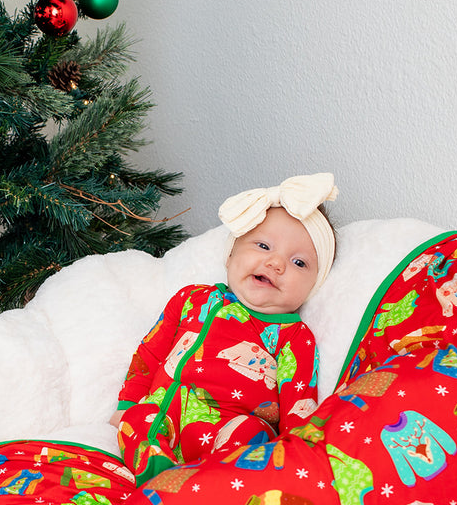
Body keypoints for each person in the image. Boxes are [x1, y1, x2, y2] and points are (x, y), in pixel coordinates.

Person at [112, 173, 338, 484]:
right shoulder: (191, 299)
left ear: (313, 286)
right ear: (231, 255)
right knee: (137, 420)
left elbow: (300, 404)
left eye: (299, 263)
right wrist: (127, 403)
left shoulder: (294, 337)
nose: (276, 264)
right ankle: (159, 480)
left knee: (252, 434)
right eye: (263, 245)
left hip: (229, 428)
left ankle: (212, 487)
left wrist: (296, 454)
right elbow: (150, 352)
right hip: (166, 418)